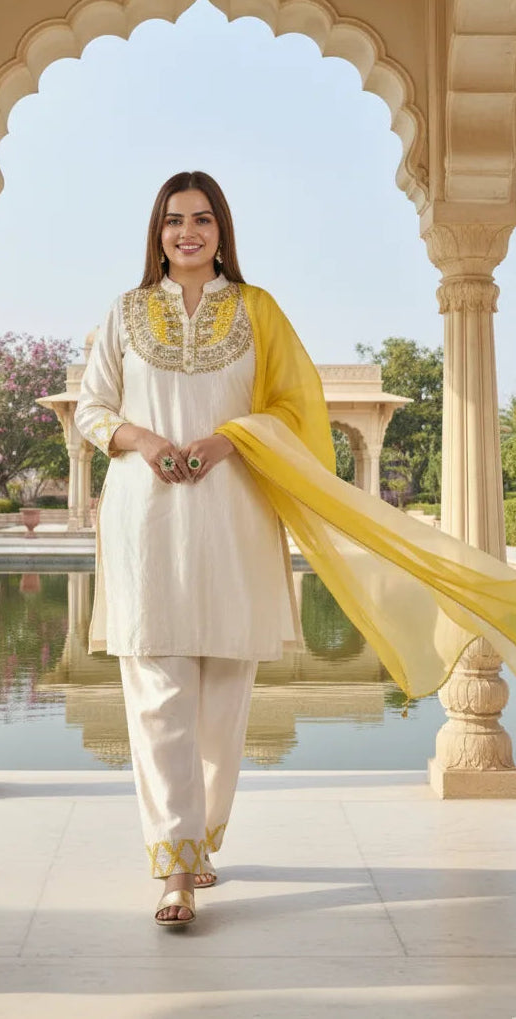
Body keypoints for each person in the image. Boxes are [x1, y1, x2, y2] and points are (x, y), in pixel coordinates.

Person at [75, 170, 516, 929]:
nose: (188, 232)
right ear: (156, 233)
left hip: (233, 515)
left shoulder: (257, 311)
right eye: (174, 220)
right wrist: (142, 439)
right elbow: (90, 406)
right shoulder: (123, 313)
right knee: (157, 697)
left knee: (223, 698)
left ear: (222, 232)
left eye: (202, 220)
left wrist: (226, 439)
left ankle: (202, 837)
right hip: (144, 520)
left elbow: (293, 405)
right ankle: (173, 865)